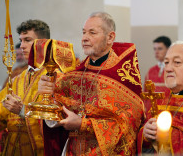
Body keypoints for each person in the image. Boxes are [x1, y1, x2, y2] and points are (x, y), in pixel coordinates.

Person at [38, 12, 144, 155]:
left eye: (92, 33)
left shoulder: (123, 76)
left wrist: (83, 124)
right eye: (83, 32)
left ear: (110, 37)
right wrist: (48, 95)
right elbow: (56, 115)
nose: (84, 38)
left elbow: (128, 126)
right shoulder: (75, 73)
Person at [0, 19, 50, 156]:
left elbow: (55, 122)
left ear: (43, 44)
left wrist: (22, 110)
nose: (22, 46)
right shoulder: (16, 80)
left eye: (28, 40)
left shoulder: (54, 77)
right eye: (21, 40)